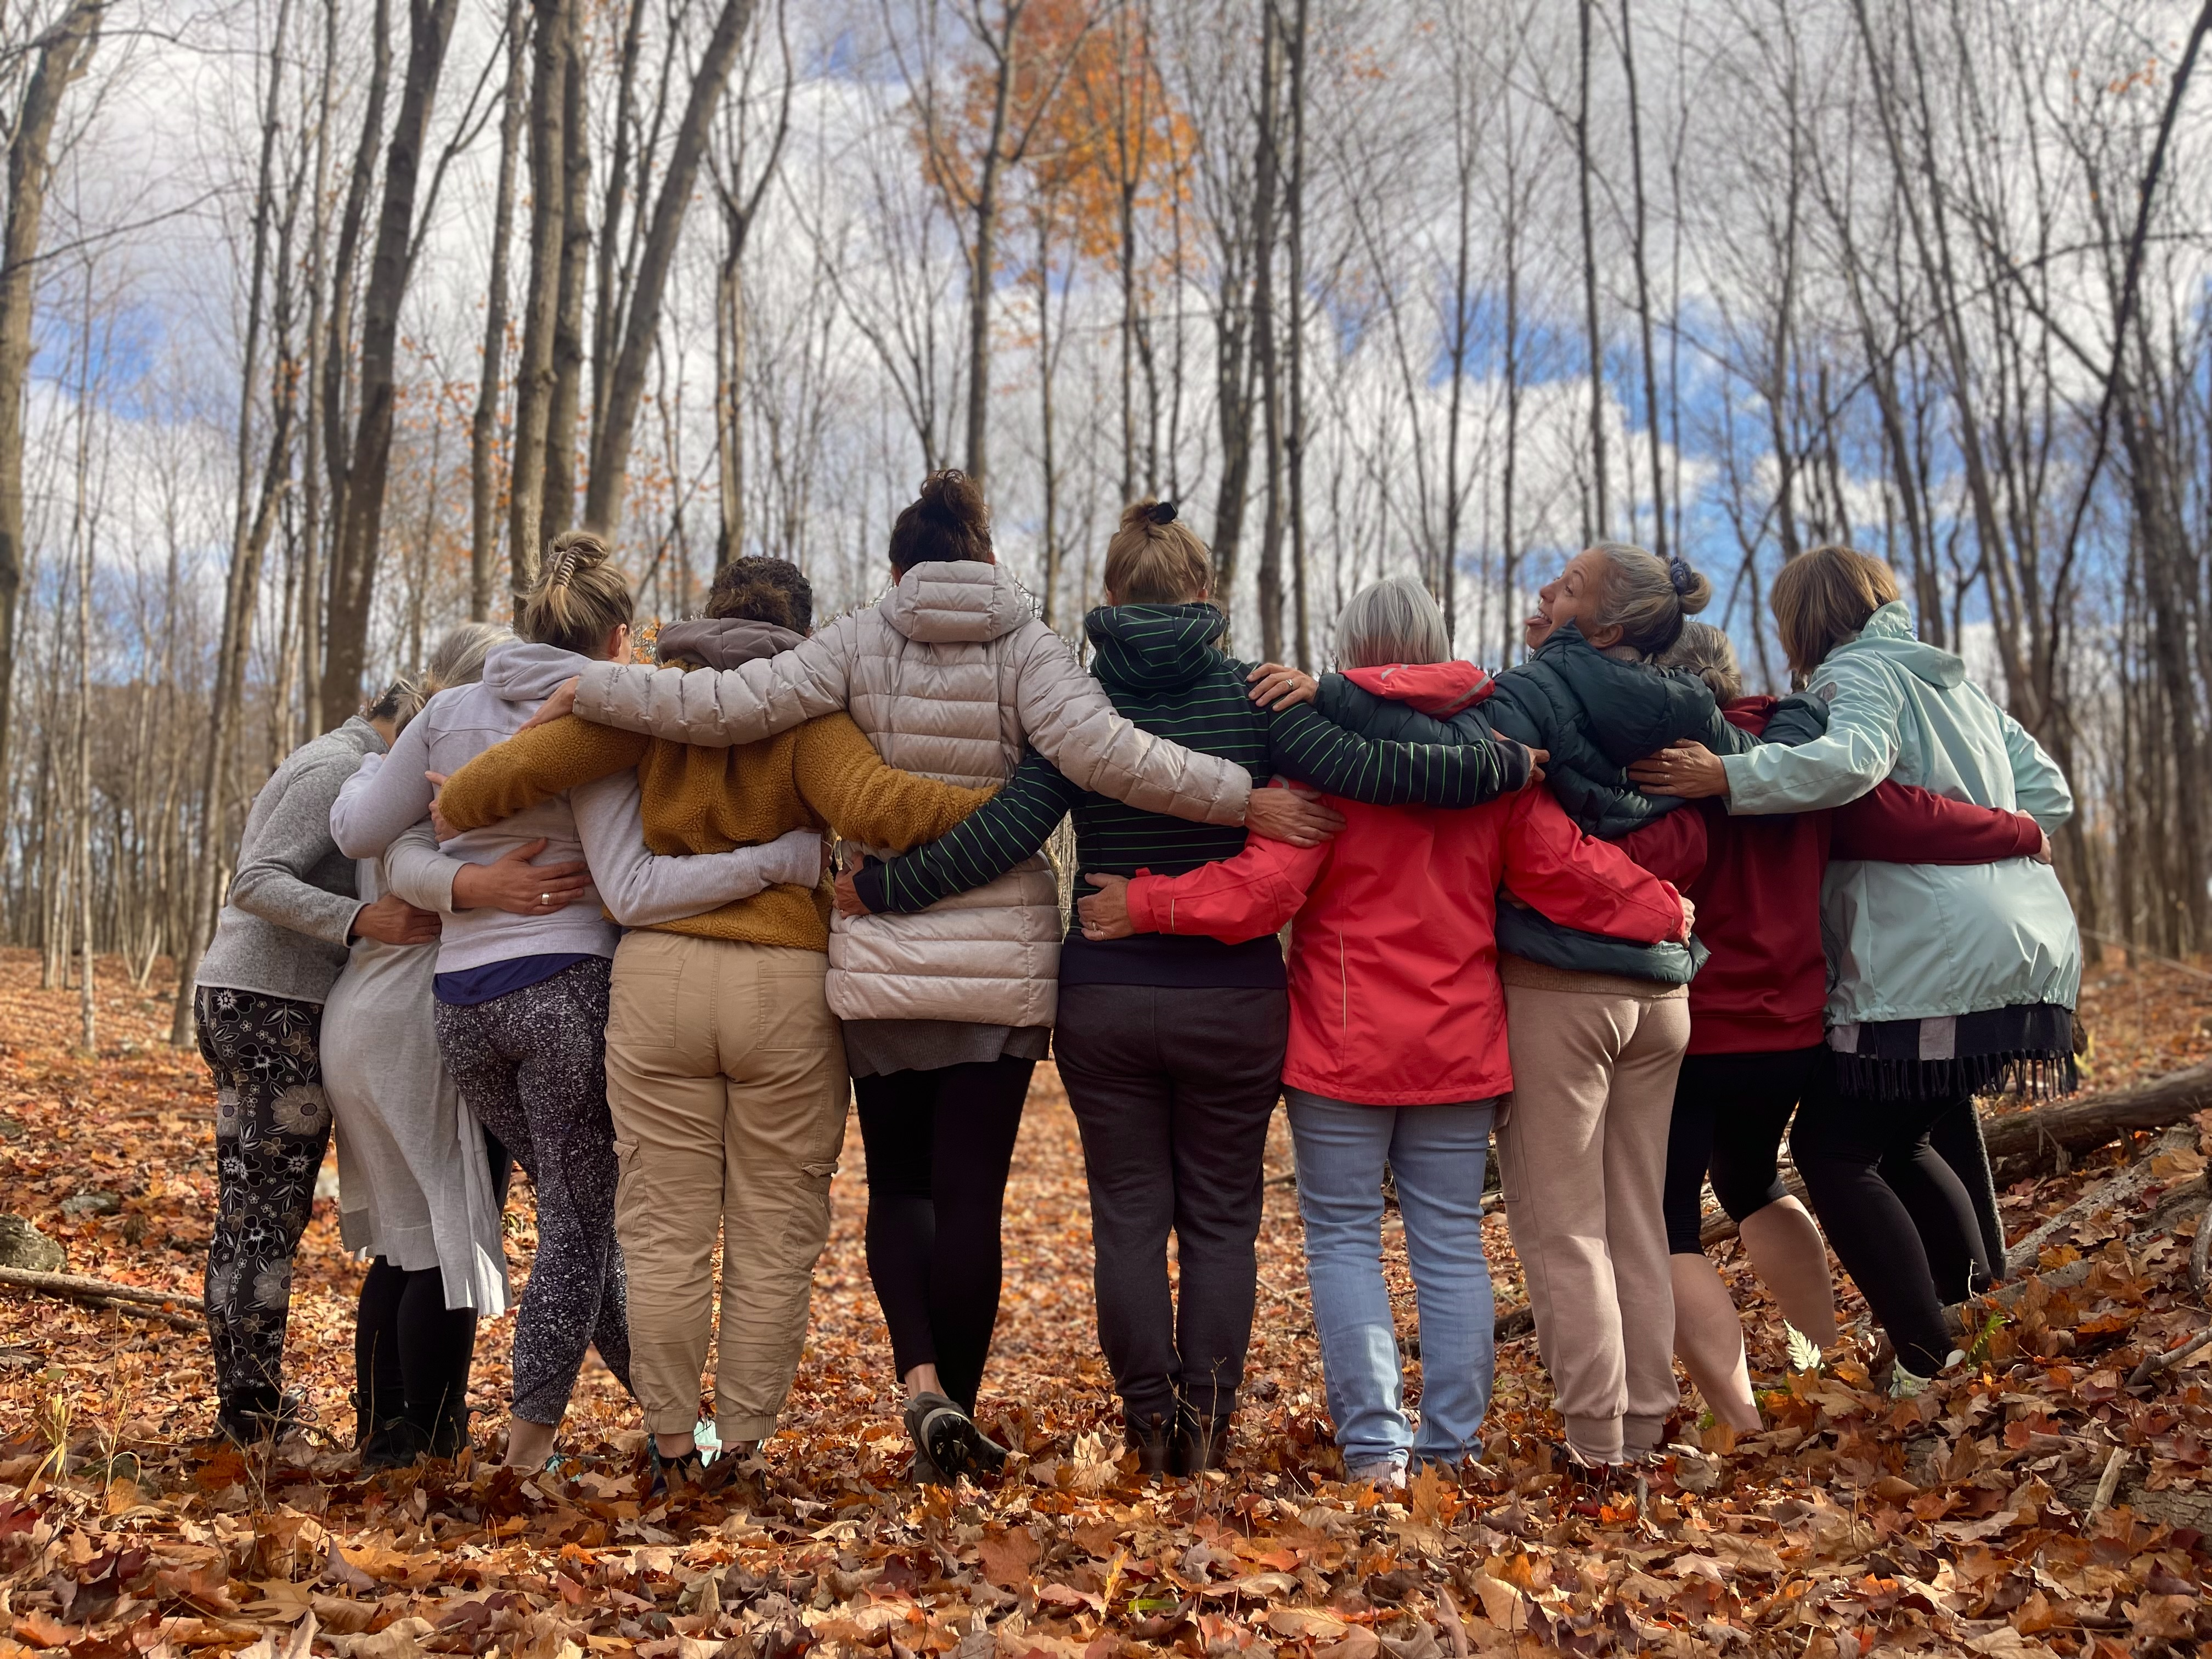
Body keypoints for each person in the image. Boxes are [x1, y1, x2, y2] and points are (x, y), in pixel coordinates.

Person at [511, 473, 1338, 1480]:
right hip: (1000, 971)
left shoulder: (861, 638)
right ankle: (961, 1418)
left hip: (882, 958)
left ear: (899, 569)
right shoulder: (1032, 647)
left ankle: (913, 1389)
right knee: (972, 1203)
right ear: (987, 562)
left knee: (899, 1190)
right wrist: (1241, 800)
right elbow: (1108, 756)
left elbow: (730, 704)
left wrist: (603, 685)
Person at [837, 507, 1530, 1476]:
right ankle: (1207, 1421)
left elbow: (1009, 829)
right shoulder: (1261, 699)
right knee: (1219, 1218)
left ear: (1113, 596)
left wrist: (882, 888)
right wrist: (1504, 760)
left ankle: (1147, 1418)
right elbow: (1375, 774)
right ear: (1206, 595)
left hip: (1107, 997)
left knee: (1128, 1213)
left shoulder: (1077, 700)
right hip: (1235, 1001)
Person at [1070, 573, 1692, 1489]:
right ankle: (1452, 1448)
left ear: (1348, 650)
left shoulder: (1324, 751)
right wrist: (1665, 907)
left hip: (1340, 1045)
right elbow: (1572, 873)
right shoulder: (1494, 757)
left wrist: (1145, 901)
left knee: (1345, 1243)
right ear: (1439, 641)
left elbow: (1263, 893)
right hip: (1459, 1042)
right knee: (1448, 1242)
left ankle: (1376, 1455)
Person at [431, 556, 1002, 1491]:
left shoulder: (655, 701)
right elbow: (881, 808)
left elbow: (510, 775)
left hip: (658, 986)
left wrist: (458, 800)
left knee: (661, 1225)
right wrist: (1010, 807)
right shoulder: (809, 716)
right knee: (776, 1224)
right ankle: (737, 1446)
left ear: (701, 618)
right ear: (806, 631)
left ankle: (669, 1445)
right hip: (784, 989)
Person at [330, 532, 812, 1469]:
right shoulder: (601, 724)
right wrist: (774, 862)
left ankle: (680, 1426)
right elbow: (631, 890)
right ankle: (526, 1451)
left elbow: (361, 831)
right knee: (582, 1229)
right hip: (565, 997)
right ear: (622, 637)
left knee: (578, 1221)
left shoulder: (449, 712)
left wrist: (435, 834)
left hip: (463, 1011)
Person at [1630, 546, 2081, 1395]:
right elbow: (2048, 794)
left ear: (1803, 621)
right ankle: (1969, 1323)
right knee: (1897, 1138)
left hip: (1934, 965)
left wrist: (1728, 774)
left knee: (1835, 1148)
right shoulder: (1956, 686)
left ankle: (1925, 1354)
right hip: (2027, 947)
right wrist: (2005, 832)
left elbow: (1853, 780)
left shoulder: (1852, 680)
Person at [192, 689, 442, 1446]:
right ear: (404, 717)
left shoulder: (339, 759)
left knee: (250, 1217)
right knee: (265, 1218)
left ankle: (247, 1408)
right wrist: (361, 920)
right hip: (271, 1005)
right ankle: (253, 1421)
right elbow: (256, 878)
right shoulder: (341, 767)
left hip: (255, 1000)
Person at [324, 623, 520, 1469]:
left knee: (406, 1237)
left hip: (358, 1010)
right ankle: (428, 1436)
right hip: (413, 1011)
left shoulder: (375, 773)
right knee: (447, 1237)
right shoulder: (457, 774)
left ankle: (386, 1429)